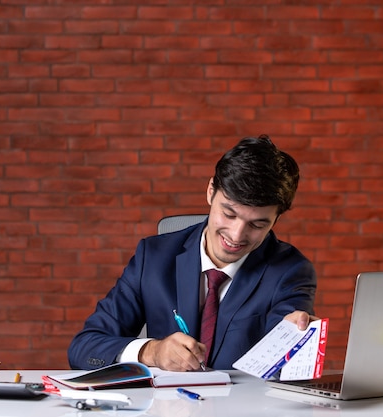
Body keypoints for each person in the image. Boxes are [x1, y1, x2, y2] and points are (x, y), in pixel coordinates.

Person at [68, 135, 317, 371]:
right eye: (229, 214)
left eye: (257, 224)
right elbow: (84, 347)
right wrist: (151, 352)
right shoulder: (152, 257)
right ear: (210, 191)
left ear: (276, 219)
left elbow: (281, 366)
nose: (237, 235)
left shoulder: (290, 271)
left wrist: (293, 345)